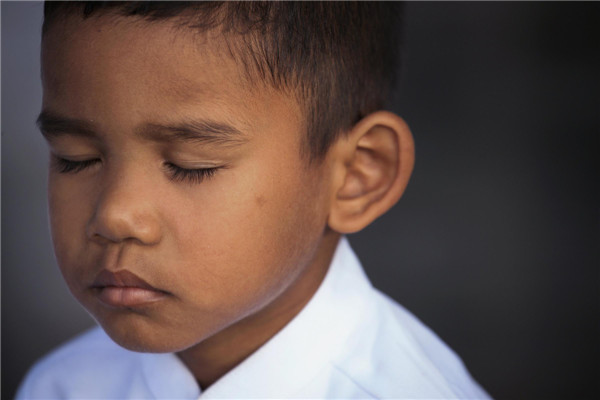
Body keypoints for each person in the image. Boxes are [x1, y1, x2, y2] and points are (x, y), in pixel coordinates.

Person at [16, 2, 490, 399]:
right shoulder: (62, 385)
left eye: (191, 165)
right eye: (75, 158)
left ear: (356, 177)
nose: (115, 215)